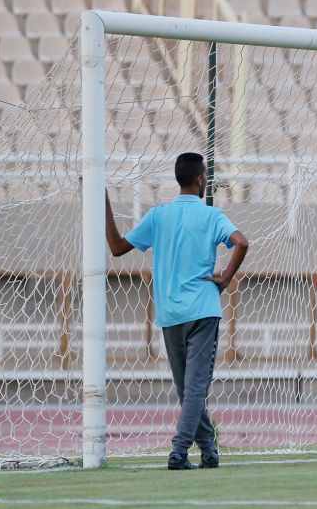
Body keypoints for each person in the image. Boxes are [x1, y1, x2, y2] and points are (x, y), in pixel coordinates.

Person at [105, 152, 249, 470]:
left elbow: (117, 248)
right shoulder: (211, 215)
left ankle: (208, 450)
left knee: (188, 390)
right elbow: (242, 242)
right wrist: (225, 278)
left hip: (170, 312)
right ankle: (180, 451)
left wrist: (103, 203)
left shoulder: (159, 215)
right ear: (200, 179)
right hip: (203, 309)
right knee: (194, 389)